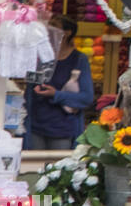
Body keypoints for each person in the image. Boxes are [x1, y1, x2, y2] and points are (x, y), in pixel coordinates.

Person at [24, 16, 95, 150]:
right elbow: (30, 89)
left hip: (62, 129)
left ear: (67, 33)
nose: (48, 29)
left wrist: (56, 94)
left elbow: (86, 98)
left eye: (54, 25)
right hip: (35, 126)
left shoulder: (78, 60)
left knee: (58, 168)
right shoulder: (41, 57)